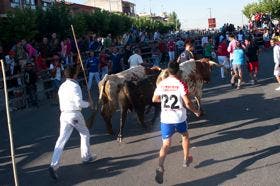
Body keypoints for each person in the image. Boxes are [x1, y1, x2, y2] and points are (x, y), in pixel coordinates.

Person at [152, 62, 201, 184]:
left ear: (168, 71)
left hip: (166, 118)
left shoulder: (161, 83)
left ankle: (160, 165)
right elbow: (188, 103)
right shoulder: (181, 84)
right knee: (184, 136)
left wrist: (164, 99)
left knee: (166, 144)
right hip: (179, 117)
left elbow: (154, 99)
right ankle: (185, 159)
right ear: (178, 71)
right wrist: (196, 111)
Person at [48, 65, 96, 180]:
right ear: (74, 75)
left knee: (61, 139)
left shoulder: (62, 86)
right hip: (74, 114)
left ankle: (53, 165)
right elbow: (78, 103)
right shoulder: (75, 86)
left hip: (64, 114)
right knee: (84, 133)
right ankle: (86, 157)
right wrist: (89, 104)